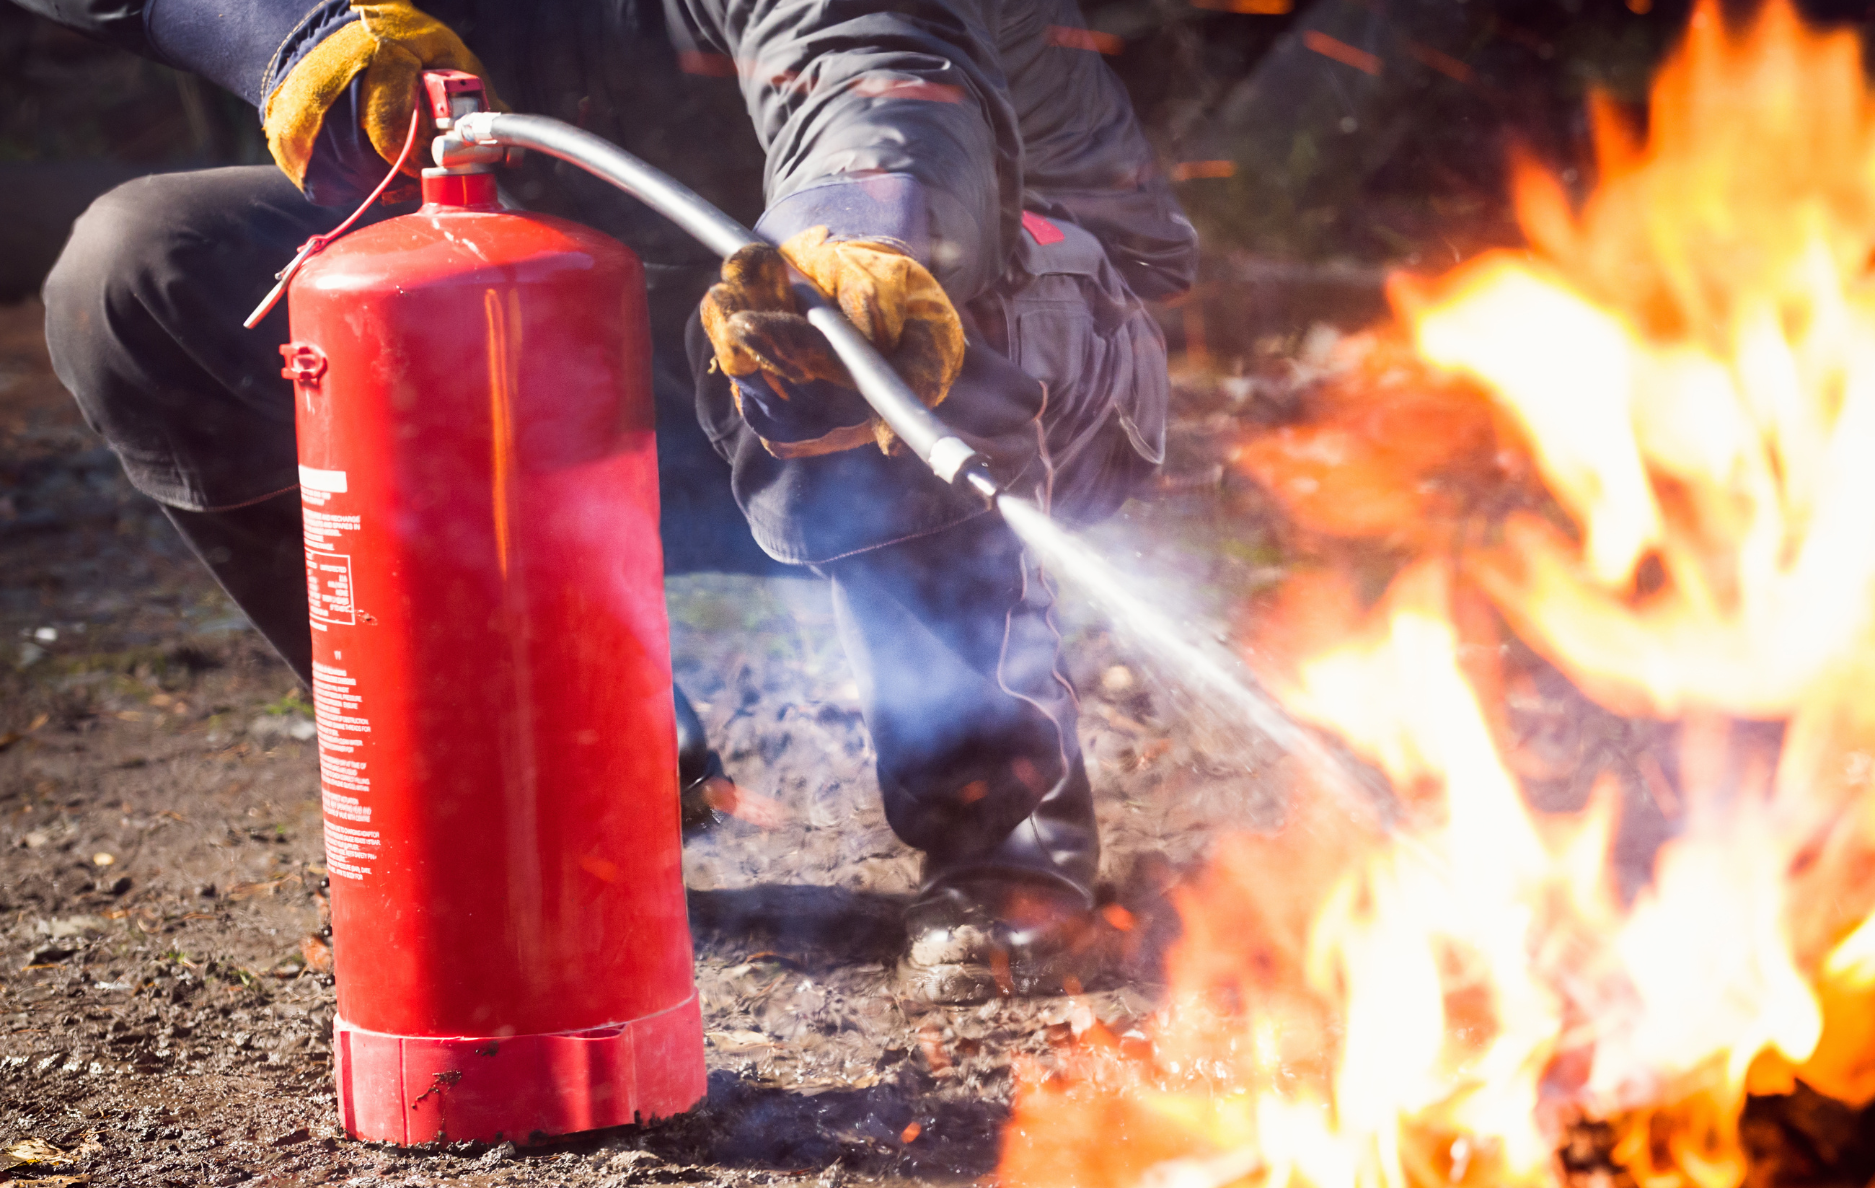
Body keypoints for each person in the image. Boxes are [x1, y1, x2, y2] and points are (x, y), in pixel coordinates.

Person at [22, 0, 1196, 1004]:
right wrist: (289, 29)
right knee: (142, 268)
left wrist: (857, 231)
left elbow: (876, 67)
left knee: (831, 299)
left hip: (1008, 322)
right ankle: (575, 783)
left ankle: (1000, 839)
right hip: (597, 334)